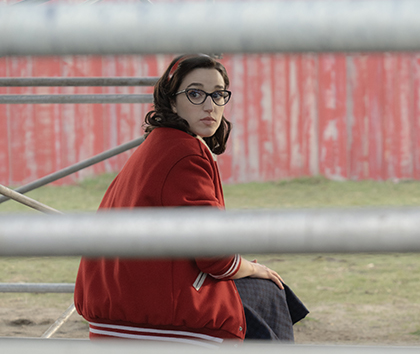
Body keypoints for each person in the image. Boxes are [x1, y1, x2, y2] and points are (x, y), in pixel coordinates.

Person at [74, 54, 307, 347]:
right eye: (195, 93)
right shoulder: (185, 154)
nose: (210, 105)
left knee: (265, 294)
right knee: (268, 290)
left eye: (218, 94)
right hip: (153, 314)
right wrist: (252, 267)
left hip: (124, 302)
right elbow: (216, 259)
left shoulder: (160, 143)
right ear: (171, 101)